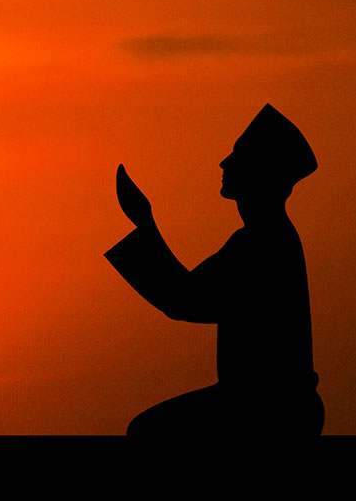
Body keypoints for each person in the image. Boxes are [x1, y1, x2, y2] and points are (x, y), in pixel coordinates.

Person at [106, 104, 324, 436]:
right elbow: (189, 295)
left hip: (268, 407)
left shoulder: (261, 243)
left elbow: (185, 299)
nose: (224, 163)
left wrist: (145, 224)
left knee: (148, 431)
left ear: (259, 171)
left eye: (237, 154)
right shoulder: (265, 237)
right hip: (273, 404)